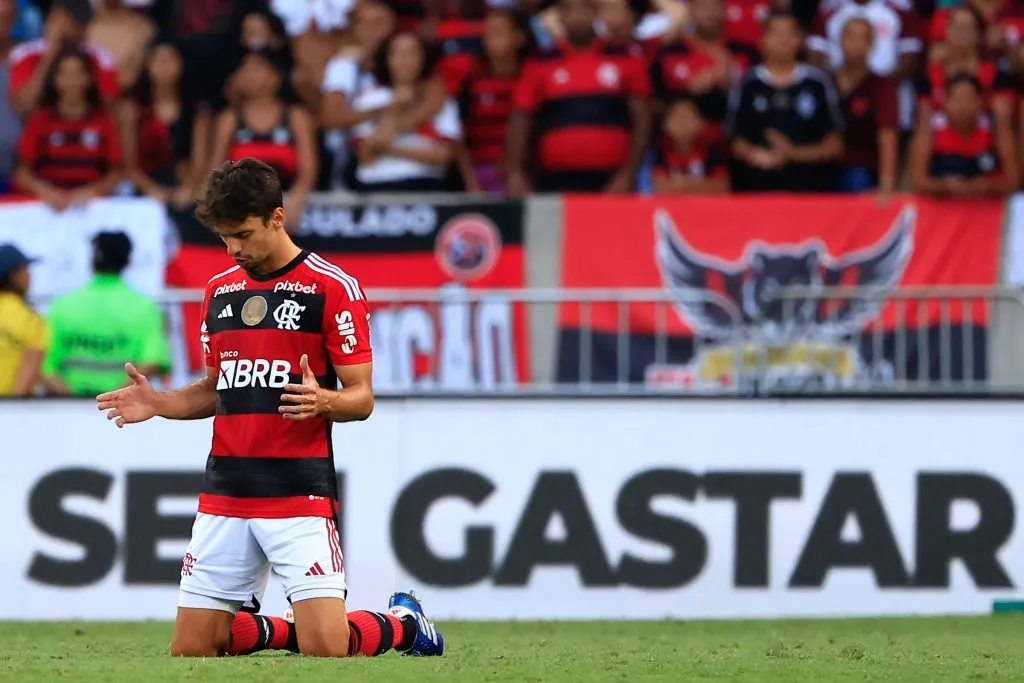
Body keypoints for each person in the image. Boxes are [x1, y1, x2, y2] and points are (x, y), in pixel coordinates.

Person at [95, 157, 444, 659]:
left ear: (276, 219)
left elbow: (361, 398)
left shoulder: (331, 288)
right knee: (193, 651)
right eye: (224, 238)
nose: (234, 249)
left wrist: (325, 400)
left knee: (327, 648)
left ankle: (406, 624)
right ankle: (278, 626)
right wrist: (160, 403)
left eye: (242, 234)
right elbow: (219, 389)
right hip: (226, 496)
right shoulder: (219, 292)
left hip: (297, 495)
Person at [505, 0, 652, 195]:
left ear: (596, 13)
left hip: (613, 182)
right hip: (555, 180)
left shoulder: (624, 56)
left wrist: (629, 174)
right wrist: (514, 173)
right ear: (560, 16)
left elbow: (642, 119)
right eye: (569, 9)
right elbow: (521, 118)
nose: (578, 15)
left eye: (585, 8)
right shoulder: (540, 61)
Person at [724, 11, 845, 192]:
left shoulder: (817, 83)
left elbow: (835, 145)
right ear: (763, 40)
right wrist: (756, 155)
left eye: (790, 33)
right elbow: (733, 140)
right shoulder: (748, 83)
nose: (784, 40)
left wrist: (793, 153)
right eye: (776, 33)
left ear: (801, 39)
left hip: (810, 189)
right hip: (755, 188)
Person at [42, 232, 171, 397]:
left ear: (92, 261)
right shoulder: (145, 307)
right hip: (122, 409)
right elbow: (152, 362)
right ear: (128, 261)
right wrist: (113, 398)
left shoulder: (63, 304)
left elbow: (45, 367)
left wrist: (74, 400)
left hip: (69, 407)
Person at [208, 48, 318, 226]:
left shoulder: (296, 116)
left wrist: (296, 200)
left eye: (257, 69)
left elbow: (308, 168)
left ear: (276, 76)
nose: (249, 75)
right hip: (241, 207)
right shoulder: (230, 118)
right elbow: (217, 166)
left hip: (288, 204)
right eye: (246, 68)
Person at [13, 47, 124, 210]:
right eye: (64, 74)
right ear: (55, 80)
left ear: (89, 79)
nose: (71, 81)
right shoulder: (39, 120)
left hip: (91, 206)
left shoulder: (104, 121)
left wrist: (92, 192)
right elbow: (22, 174)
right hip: (47, 206)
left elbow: (116, 173)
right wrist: (46, 192)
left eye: (77, 74)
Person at [352, 31, 462, 192]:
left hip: (425, 182)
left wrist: (390, 149)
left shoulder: (442, 100)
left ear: (423, 59)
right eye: (397, 54)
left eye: (411, 53)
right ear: (387, 60)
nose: (405, 60)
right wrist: (396, 111)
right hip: (376, 182)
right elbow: (366, 156)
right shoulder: (369, 99)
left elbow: (443, 157)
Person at [119, 40, 209, 207]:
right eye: (158, 61)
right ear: (147, 65)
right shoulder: (132, 108)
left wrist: (188, 188)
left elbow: (200, 160)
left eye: (169, 60)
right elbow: (128, 163)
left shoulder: (196, 109)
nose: (164, 67)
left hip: (185, 184)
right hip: (143, 185)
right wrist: (151, 190)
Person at [909, 73, 1018, 197]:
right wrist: (944, 186)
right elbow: (918, 183)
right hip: (942, 207)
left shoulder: (996, 129)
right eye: (957, 100)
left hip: (986, 206)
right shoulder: (931, 129)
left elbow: (1013, 183)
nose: (963, 106)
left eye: (969, 99)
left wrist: (987, 186)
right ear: (945, 103)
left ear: (980, 103)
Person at [7, 0, 119, 116]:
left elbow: (109, 107)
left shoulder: (100, 56)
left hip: (87, 125)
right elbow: (23, 107)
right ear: (52, 20)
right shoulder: (24, 54)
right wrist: (50, 55)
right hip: (39, 127)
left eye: (78, 24)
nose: (71, 29)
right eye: (65, 22)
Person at [834, 17, 898, 193]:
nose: (855, 44)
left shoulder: (880, 86)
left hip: (860, 168)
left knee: (856, 178)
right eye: (850, 37)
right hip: (823, 163)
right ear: (839, 41)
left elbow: (887, 134)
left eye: (862, 39)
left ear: (871, 45)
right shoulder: (825, 82)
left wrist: (887, 185)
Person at [651, 98, 729, 193]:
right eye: (677, 117)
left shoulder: (711, 152)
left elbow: (722, 187)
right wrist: (699, 186)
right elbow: (660, 187)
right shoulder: (660, 152)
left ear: (701, 123)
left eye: (688, 117)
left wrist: (684, 185)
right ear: (666, 125)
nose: (682, 123)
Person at [0, 244, 46, 397]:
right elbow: (27, 379)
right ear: (13, 275)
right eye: (25, 270)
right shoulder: (30, 319)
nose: (29, 275)